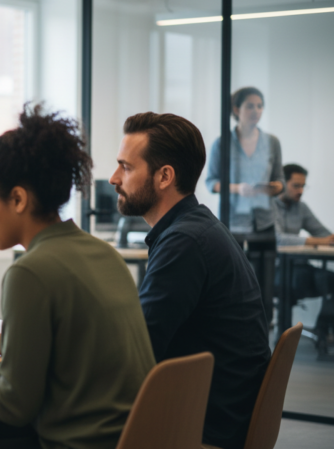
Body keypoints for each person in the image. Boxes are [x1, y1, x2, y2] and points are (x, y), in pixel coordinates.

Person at [0, 105, 156, 449]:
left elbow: (13, 406)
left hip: (73, 443)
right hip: (130, 439)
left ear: (18, 199)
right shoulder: (104, 254)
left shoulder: (30, 272)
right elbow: (67, 348)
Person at [109, 112, 271, 449]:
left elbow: (139, 351)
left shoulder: (185, 243)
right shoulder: (197, 227)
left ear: (164, 176)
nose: (113, 178)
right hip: (221, 416)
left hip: (202, 428)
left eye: (125, 167)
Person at [273, 163, 334, 358]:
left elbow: (323, 233)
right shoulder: (268, 206)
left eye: (303, 186)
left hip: (299, 266)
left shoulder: (301, 208)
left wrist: (332, 239)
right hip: (275, 269)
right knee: (309, 279)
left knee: (332, 280)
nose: (301, 191)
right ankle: (282, 340)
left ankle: (322, 329)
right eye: (296, 186)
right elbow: (278, 238)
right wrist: (316, 241)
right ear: (282, 183)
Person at [206, 86, 284, 233]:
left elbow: (281, 181)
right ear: (236, 110)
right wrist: (238, 189)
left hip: (266, 220)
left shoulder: (272, 142)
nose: (256, 110)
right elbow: (211, 182)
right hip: (232, 221)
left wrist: (273, 187)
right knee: (233, 256)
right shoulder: (222, 143)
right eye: (250, 106)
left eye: (260, 106)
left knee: (265, 255)